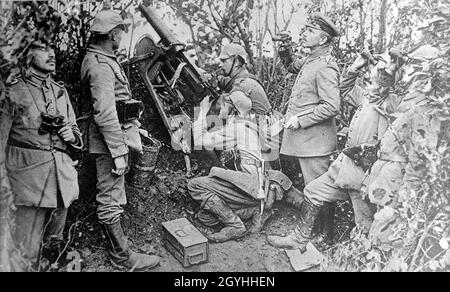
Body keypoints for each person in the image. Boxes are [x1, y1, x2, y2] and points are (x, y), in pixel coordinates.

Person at [267, 48, 407, 250]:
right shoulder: (367, 96)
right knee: (313, 190)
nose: (377, 72)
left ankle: (365, 258)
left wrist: (391, 67)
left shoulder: (391, 101)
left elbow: (393, 93)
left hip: (366, 173)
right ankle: (299, 239)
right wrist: (354, 68)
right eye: (377, 68)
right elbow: (344, 89)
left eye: (382, 71)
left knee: (365, 223)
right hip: (345, 166)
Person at [80, 9, 159, 270]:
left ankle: (121, 252)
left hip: (114, 134)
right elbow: (104, 112)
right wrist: (117, 151)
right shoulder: (101, 65)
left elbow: (118, 104)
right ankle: (122, 256)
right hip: (107, 141)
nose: (121, 38)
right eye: (119, 34)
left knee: (112, 194)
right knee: (110, 197)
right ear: (113, 34)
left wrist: (135, 129)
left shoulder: (101, 58)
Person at [4, 40, 83, 270]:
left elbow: (77, 135)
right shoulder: (12, 92)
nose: (52, 54)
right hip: (28, 180)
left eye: (52, 49)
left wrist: (72, 136)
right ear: (28, 55)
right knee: (26, 251)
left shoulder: (60, 91)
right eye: (42, 49)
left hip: (61, 180)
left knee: (53, 247)